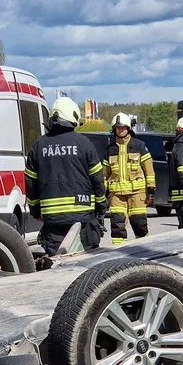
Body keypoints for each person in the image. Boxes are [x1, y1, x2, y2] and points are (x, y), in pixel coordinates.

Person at [24, 97, 108, 255]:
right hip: (83, 218)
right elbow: (97, 179)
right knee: (88, 265)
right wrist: (101, 206)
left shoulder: (38, 146)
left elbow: (31, 183)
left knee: (58, 266)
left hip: (53, 221)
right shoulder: (84, 143)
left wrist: (35, 210)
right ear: (73, 117)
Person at [100, 112, 155, 245]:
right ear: (114, 129)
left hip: (137, 194)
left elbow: (149, 170)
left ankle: (145, 251)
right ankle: (119, 254)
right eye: (118, 127)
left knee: (139, 224)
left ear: (128, 128)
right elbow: (104, 174)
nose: (120, 130)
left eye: (123, 127)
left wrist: (151, 191)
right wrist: (101, 193)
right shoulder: (110, 149)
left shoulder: (139, 146)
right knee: (117, 227)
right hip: (117, 196)